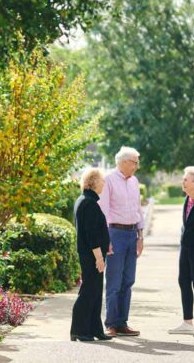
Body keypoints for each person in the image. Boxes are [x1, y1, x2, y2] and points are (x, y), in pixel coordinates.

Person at [99, 146, 144, 337]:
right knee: (114, 282)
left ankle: (122, 322)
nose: (137, 166)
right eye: (134, 162)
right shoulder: (108, 179)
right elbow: (103, 210)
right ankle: (110, 323)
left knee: (128, 280)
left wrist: (140, 236)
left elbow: (138, 209)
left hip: (132, 233)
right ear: (124, 162)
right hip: (115, 233)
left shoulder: (134, 181)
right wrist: (105, 239)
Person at [71, 167, 113, 342]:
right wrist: (99, 257)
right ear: (93, 182)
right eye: (102, 180)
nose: (104, 183)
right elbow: (91, 234)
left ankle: (95, 329)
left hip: (93, 254)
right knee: (89, 291)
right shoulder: (88, 202)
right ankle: (79, 330)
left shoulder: (87, 201)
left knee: (95, 292)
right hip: (91, 256)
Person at [168, 166, 194, 335]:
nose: (183, 182)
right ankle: (187, 322)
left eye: (186, 179)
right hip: (185, 247)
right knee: (183, 281)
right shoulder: (188, 199)